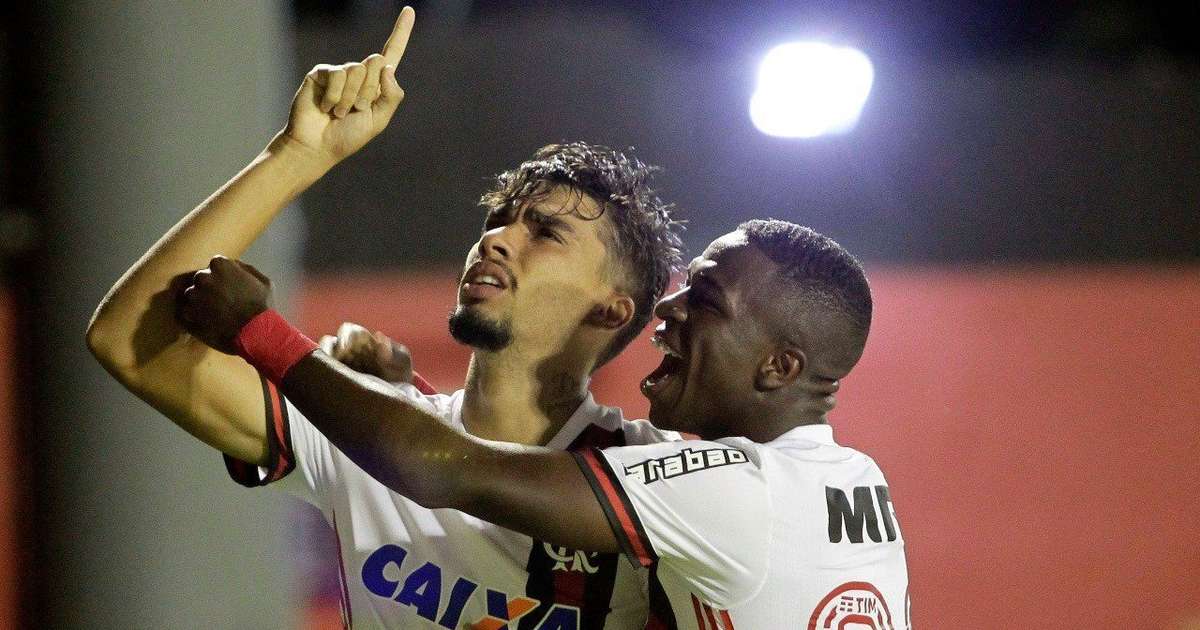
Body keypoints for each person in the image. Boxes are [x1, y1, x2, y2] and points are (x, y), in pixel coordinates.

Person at [85, 6, 690, 628]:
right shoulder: (358, 422)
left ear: (612, 309)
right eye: (497, 221)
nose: (498, 239)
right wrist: (297, 154)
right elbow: (125, 338)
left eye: (546, 233)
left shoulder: (656, 479)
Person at [178, 220, 912, 629]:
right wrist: (417, 398)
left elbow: (446, 471)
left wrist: (260, 332)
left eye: (706, 301)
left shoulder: (732, 497)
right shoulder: (852, 480)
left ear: (780, 368)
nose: (669, 309)